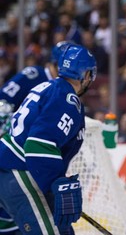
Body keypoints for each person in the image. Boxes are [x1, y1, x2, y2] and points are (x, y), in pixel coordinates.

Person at [0, 43, 97, 235]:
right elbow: (39, 144)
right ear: (86, 75)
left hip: (11, 168)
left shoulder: (49, 87)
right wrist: (56, 182)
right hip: (19, 171)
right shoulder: (66, 99)